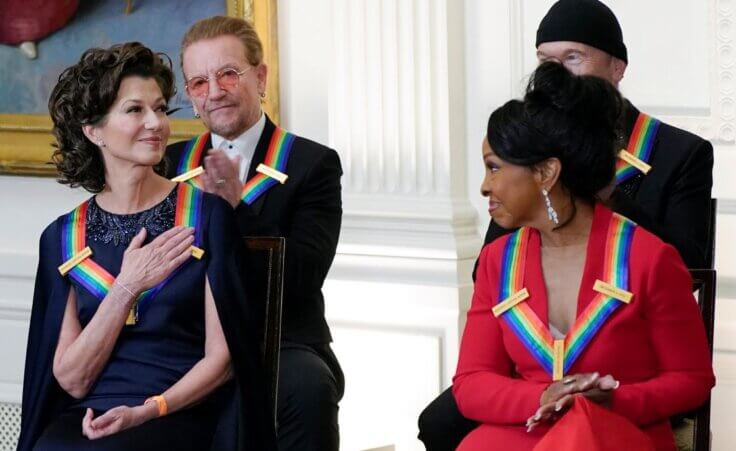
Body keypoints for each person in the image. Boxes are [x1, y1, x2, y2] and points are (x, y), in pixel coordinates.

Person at [418, 1, 714, 448]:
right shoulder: (506, 254)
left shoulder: (654, 238)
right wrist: (545, 394)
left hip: (616, 424)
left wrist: (612, 400)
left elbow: (690, 372)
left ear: (617, 67)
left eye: (572, 57)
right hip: (530, 412)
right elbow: (475, 373)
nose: (483, 187)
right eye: (545, 61)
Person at [17, 42, 275, 451]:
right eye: (135, 110)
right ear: (93, 129)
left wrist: (149, 409)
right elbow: (73, 378)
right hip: (88, 417)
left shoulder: (206, 216)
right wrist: (125, 288)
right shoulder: (64, 238)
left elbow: (222, 361)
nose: (156, 123)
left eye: (160, 108)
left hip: (178, 412)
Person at [165, 16, 344, 451]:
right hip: (187, 339)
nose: (215, 91)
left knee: (307, 390)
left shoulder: (310, 164)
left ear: (260, 77)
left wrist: (237, 209)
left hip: (280, 341)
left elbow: (301, 278)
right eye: (199, 82)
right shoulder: (169, 164)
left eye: (228, 73)